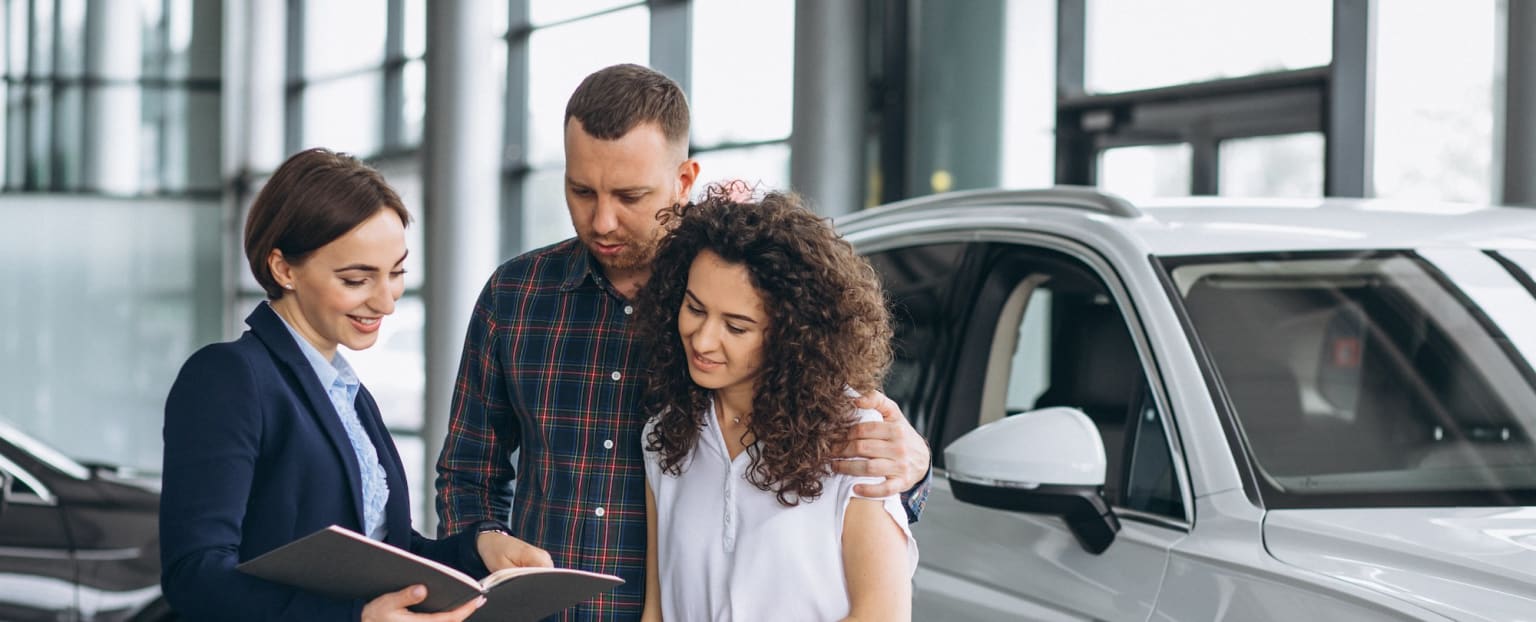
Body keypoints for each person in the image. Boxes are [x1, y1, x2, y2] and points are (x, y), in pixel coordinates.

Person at [435, 63, 932, 621]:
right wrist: (481, 541)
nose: (601, 220)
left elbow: (828, 429)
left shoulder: (744, 282)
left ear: (685, 180)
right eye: (581, 191)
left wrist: (914, 470)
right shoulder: (515, 297)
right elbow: (467, 472)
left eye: (629, 195)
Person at [160, 148, 494, 621]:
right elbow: (194, 576)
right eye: (357, 279)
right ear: (284, 269)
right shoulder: (229, 378)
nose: (386, 302)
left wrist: (481, 551)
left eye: (396, 273)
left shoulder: (348, 395)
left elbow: (385, 551)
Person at [636, 185, 916, 621]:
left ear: (791, 335)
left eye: (737, 326)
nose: (704, 339)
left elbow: (882, 615)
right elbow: (657, 611)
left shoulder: (855, 437)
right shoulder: (663, 437)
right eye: (694, 308)